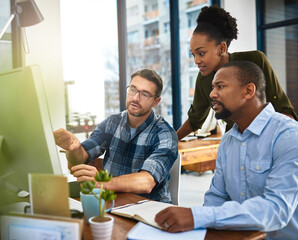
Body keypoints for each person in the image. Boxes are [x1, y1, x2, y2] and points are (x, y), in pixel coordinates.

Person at [155, 61, 298, 239]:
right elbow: (216, 198)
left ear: (248, 91)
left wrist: (197, 216)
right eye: (213, 87)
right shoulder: (228, 140)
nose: (212, 94)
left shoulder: (289, 135)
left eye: (220, 86)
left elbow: (277, 210)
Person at [54, 69, 178, 203]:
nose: (135, 98)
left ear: (156, 101)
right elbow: (81, 157)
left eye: (145, 94)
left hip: (151, 210)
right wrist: (75, 148)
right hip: (113, 203)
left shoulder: (165, 134)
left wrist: (103, 183)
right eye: (133, 89)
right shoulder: (112, 122)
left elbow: (147, 182)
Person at [177, 5, 297, 140]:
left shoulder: (255, 60)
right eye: (193, 55)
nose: (196, 61)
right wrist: (169, 143)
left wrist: (285, 139)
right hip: (236, 140)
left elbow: (282, 108)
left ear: (222, 48)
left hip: (270, 136)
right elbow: (195, 119)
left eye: (201, 53)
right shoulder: (203, 79)